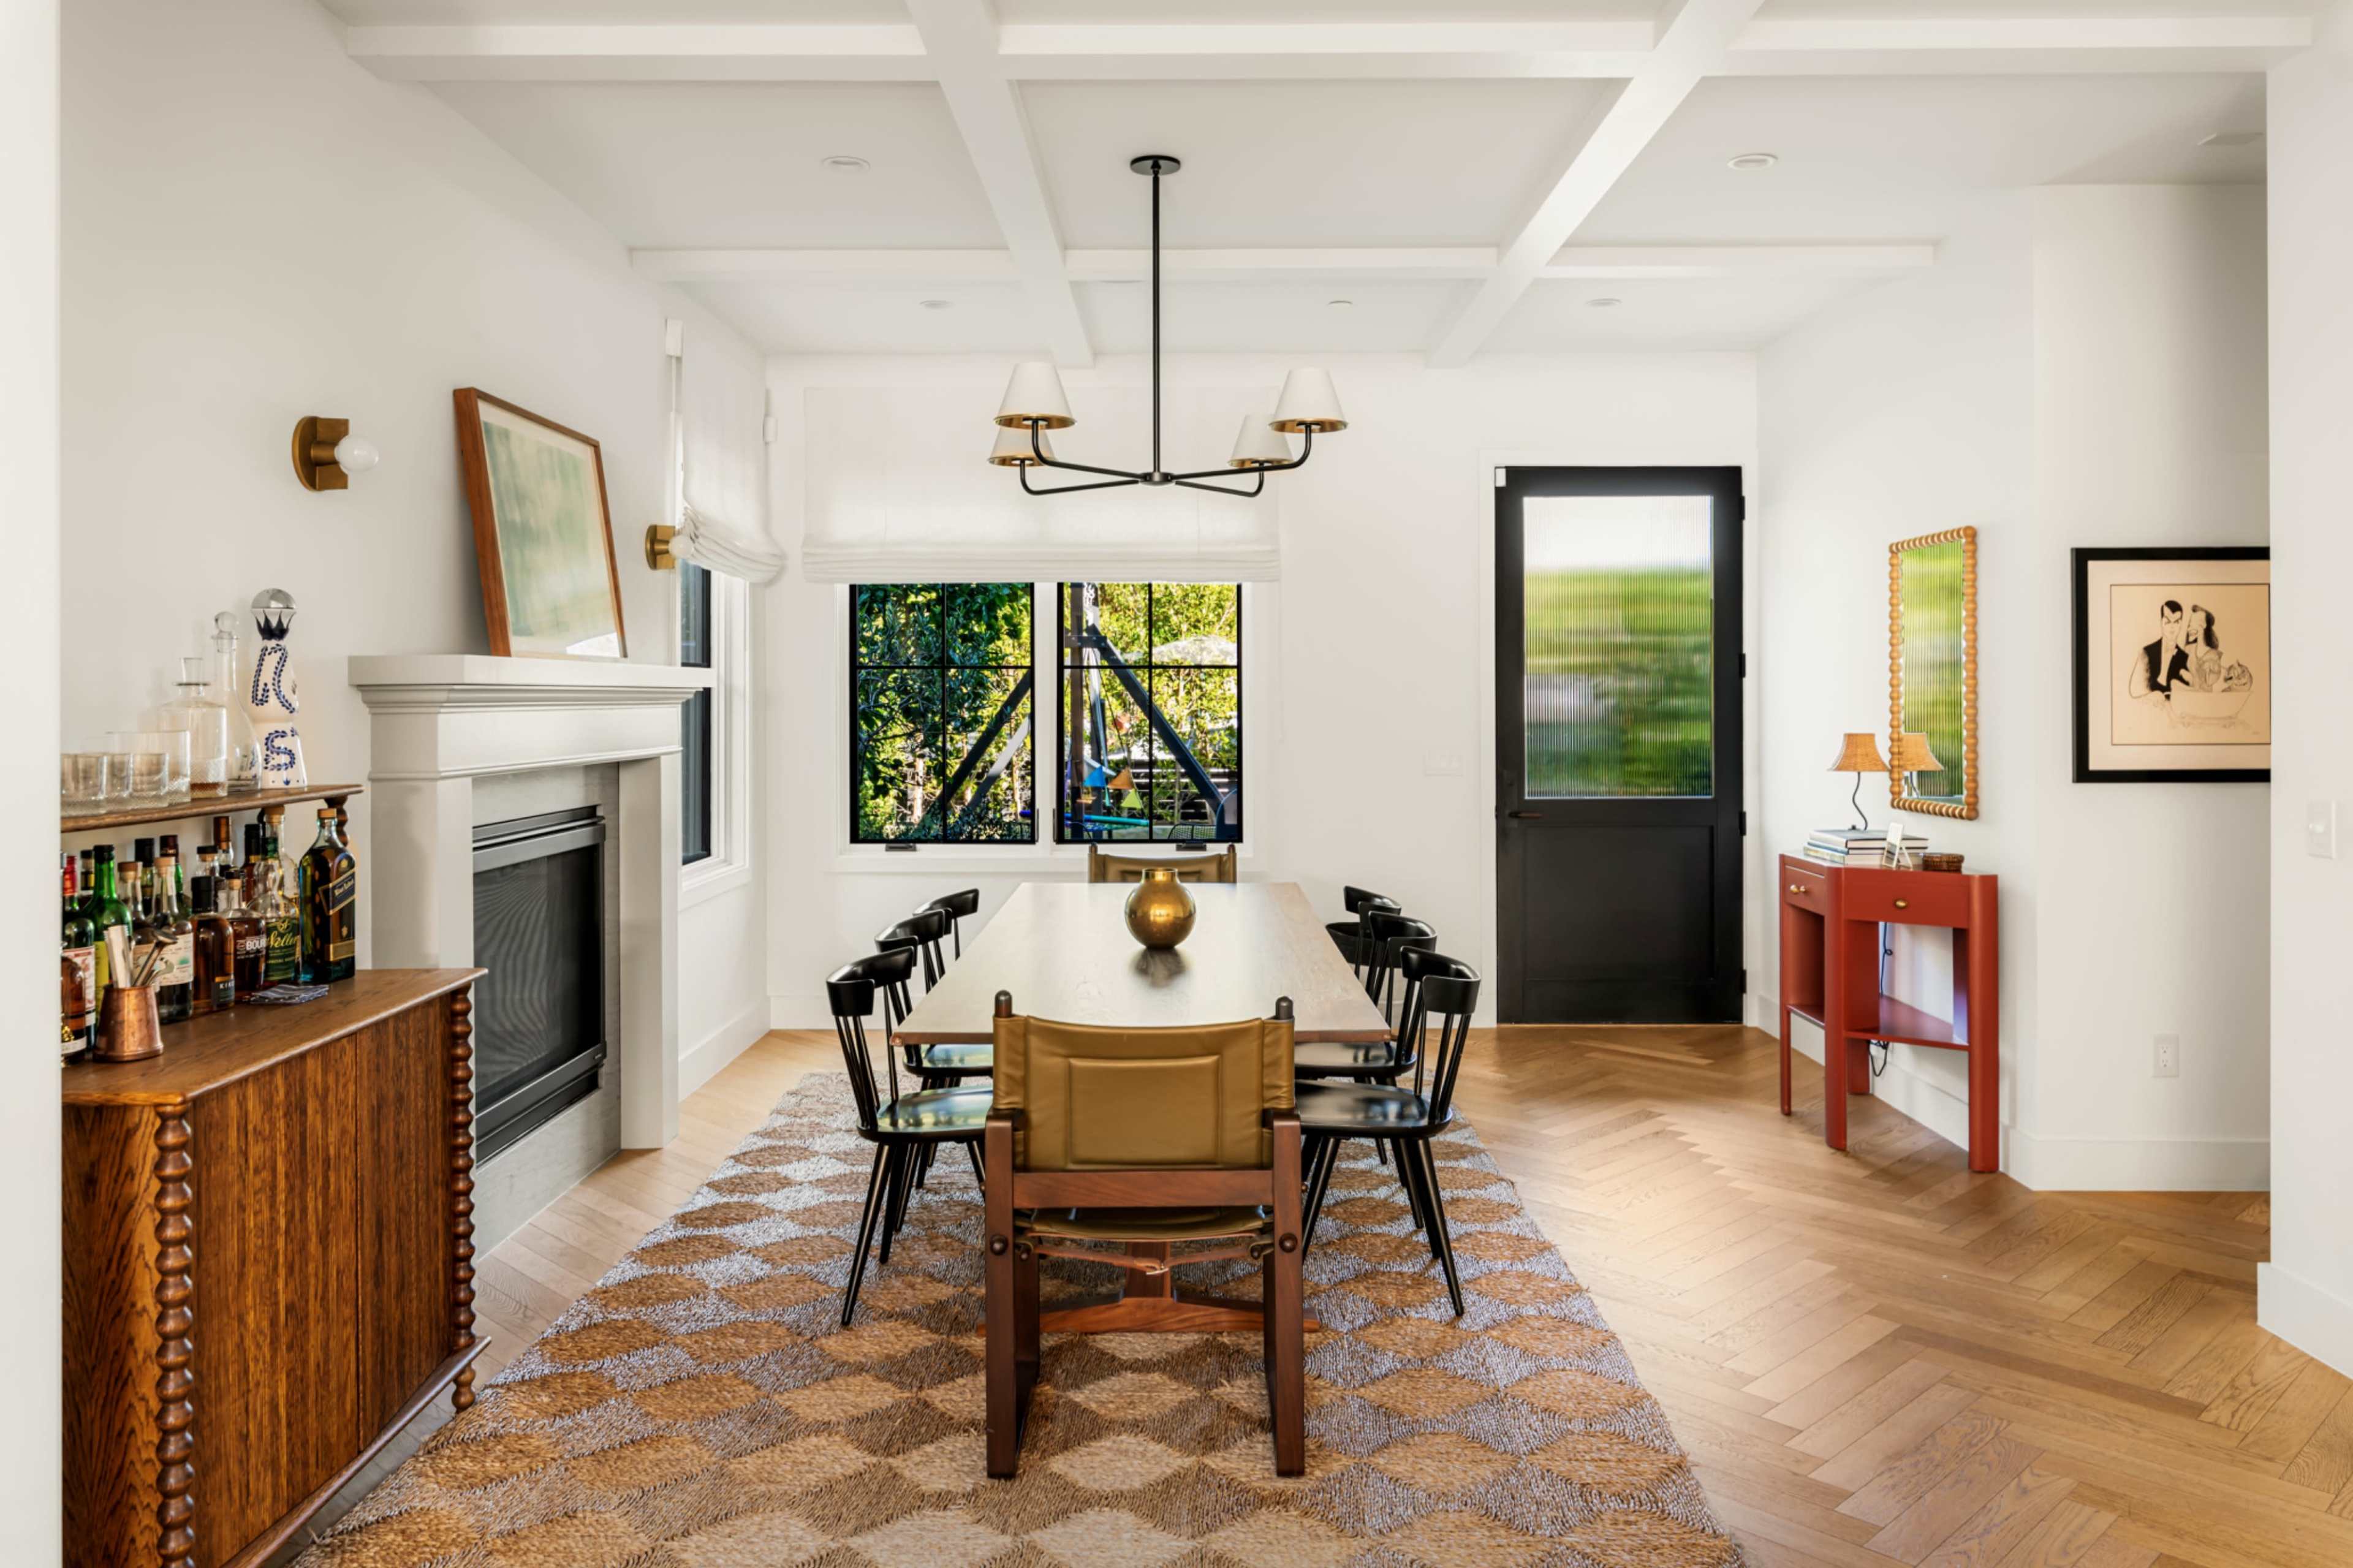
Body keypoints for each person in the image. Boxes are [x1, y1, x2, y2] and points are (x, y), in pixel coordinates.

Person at [2128, 599, 2189, 705]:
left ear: (2181, 625)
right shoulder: (2147, 652)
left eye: (2176, 622)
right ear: (2161, 623)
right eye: (2167, 622)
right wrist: (2149, 695)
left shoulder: (2186, 658)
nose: (2172, 627)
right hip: (2149, 711)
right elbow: (2134, 690)